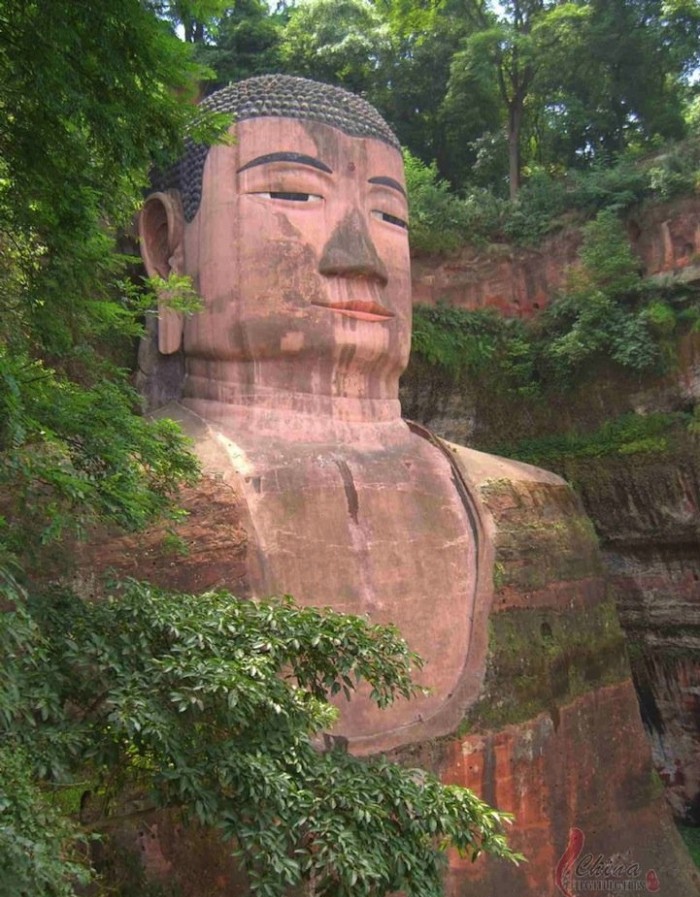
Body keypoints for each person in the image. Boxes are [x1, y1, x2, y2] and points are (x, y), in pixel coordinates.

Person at [139, 75, 558, 752]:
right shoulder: (107, 499)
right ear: (167, 246)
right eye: (293, 195)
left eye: (389, 216)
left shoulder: (536, 507)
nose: (359, 255)